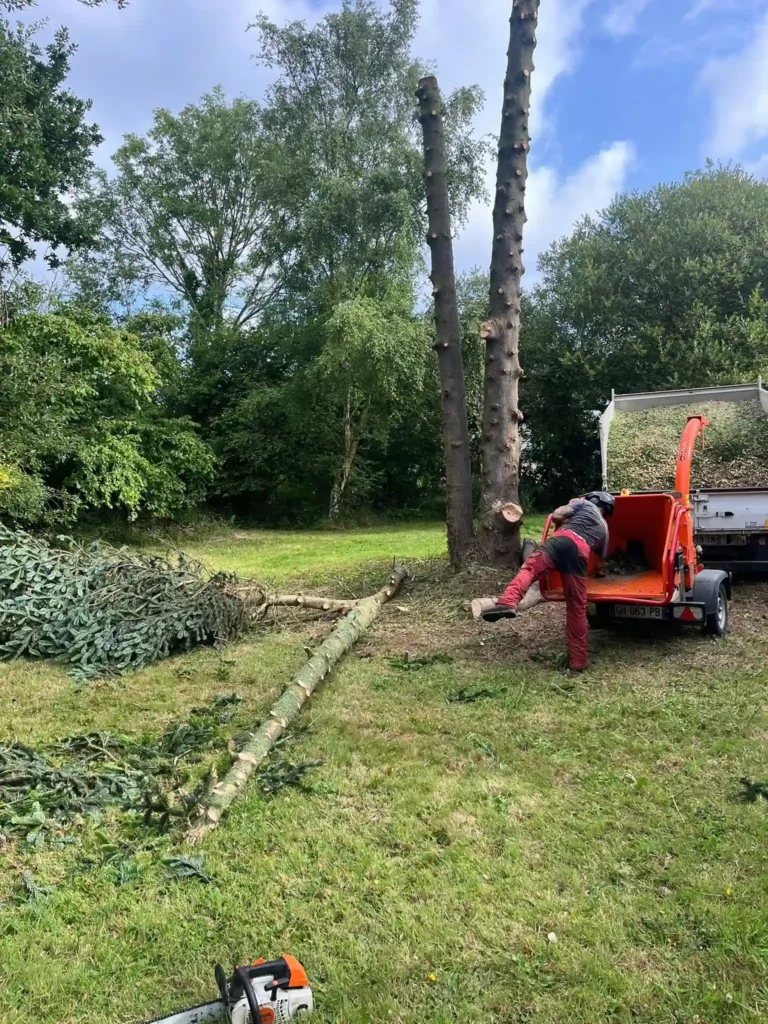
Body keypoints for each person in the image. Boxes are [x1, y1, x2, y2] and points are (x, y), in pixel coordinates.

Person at [482, 492, 615, 672]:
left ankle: (508, 602)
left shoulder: (583, 504)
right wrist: (597, 573)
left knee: (530, 569)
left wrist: (564, 518)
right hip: (579, 552)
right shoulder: (604, 529)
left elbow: (556, 515)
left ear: (594, 499)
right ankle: (578, 662)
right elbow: (600, 562)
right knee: (576, 608)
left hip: (559, 541)